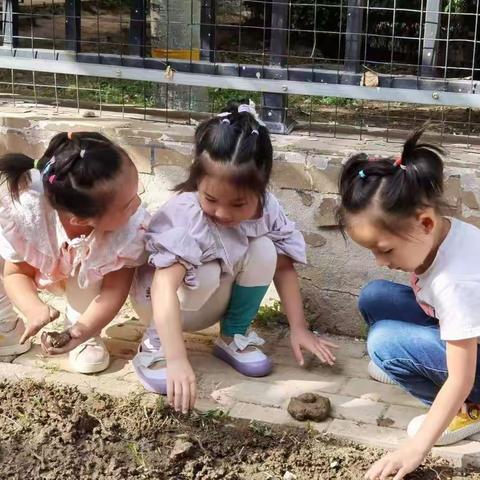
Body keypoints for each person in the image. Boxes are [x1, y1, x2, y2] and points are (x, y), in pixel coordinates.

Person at [132, 100, 338, 413]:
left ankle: (233, 335)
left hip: (206, 303)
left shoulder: (267, 210)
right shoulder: (187, 217)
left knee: (265, 248)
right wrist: (176, 359)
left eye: (239, 204)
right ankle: (155, 344)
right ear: (197, 180)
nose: (223, 213)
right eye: (210, 198)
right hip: (158, 303)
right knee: (206, 271)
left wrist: (299, 327)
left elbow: (283, 268)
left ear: (262, 188)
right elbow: (162, 287)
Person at [337, 128, 480, 480]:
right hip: (465, 333)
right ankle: (416, 362)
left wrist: (415, 450)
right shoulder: (441, 233)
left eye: (385, 249)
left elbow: (461, 378)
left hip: (473, 369)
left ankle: (469, 411)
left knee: (383, 342)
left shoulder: (456, 283)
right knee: (375, 295)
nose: (381, 261)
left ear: (425, 223)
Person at [0, 132, 148, 374]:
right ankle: (5, 325)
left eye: (136, 194)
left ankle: (83, 328)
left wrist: (79, 331)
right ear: (80, 219)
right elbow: (15, 272)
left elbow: (113, 290)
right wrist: (34, 309)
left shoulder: (127, 230)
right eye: (127, 205)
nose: (138, 205)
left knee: (91, 264)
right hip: (42, 261)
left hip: (78, 266)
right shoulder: (26, 212)